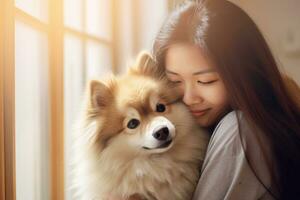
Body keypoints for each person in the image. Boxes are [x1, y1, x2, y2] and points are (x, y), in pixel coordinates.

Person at [150, 0, 300, 200]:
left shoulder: (240, 130)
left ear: (244, 74)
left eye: (206, 81)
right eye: (174, 80)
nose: (189, 98)